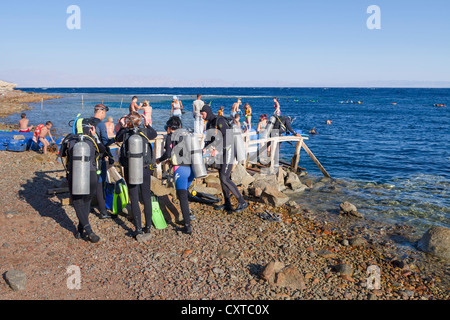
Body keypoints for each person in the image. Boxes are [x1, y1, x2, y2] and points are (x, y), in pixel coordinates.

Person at [60, 125, 106, 243]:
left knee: (77, 202)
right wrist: (95, 135)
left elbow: (61, 156)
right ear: (90, 131)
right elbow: (103, 150)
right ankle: (80, 230)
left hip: (76, 174)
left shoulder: (70, 140)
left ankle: (89, 230)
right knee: (86, 202)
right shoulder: (93, 140)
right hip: (92, 175)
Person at [115, 112, 158, 238]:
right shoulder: (144, 131)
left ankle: (138, 228)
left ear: (128, 121)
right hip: (144, 168)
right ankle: (148, 227)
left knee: (133, 197)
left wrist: (122, 126)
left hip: (130, 168)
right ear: (139, 121)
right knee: (146, 196)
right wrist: (147, 124)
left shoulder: (125, 133)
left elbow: (117, 138)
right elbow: (154, 134)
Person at [200, 104, 248, 213]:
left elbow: (228, 137)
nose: (202, 116)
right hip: (221, 153)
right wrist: (205, 148)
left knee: (225, 178)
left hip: (229, 151)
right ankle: (227, 204)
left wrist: (217, 150)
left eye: (202, 114)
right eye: (201, 115)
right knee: (222, 178)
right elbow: (209, 140)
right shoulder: (209, 124)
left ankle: (242, 202)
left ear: (207, 112)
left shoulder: (219, 121)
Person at [156, 116, 195, 235]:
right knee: (185, 192)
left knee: (182, 195)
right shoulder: (186, 135)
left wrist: (159, 160)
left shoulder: (170, 137)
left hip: (181, 170)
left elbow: (167, 153)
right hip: (192, 168)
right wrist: (171, 161)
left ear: (169, 128)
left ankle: (187, 226)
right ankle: (189, 215)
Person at [92, 104, 115, 219]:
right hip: (98, 158)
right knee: (101, 184)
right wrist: (115, 140)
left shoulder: (86, 122)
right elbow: (105, 142)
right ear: (101, 112)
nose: (105, 114)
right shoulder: (100, 125)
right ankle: (103, 211)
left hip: (87, 157)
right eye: (105, 112)